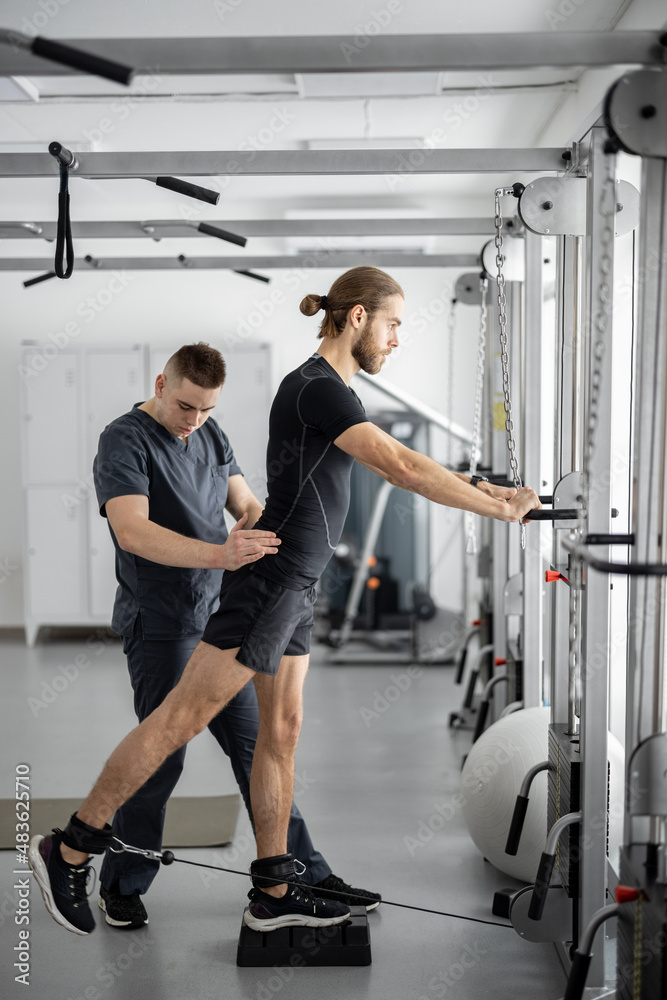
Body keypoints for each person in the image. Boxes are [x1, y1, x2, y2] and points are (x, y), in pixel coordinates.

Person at [29, 266, 541, 938]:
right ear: (356, 318)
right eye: (391, 325)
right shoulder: (316, 388)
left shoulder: (317, 394)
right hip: (265, 587)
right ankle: (71, 848)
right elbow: (401, 466)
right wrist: (500, 508)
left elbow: (276, 492)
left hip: (294, 584)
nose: (395, 339)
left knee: (278, 733)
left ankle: (275, 885)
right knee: (178, 723)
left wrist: (483, 491)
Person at [80, 342, 380, 931]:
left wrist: (267, 532)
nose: (194, 420)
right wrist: (222, 553)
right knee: (164, 754)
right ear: (161, 383)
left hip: (219, 619)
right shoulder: (124, 439)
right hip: (162, 622)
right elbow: (133, 532)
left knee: (261, 748)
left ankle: (301, 872)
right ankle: (121, 881)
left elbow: (245, 502)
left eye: (207, 410)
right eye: (187, 406)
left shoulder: (211, 437)